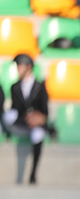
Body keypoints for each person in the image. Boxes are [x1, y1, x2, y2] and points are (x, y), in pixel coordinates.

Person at [2, 54, 49, 185]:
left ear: (29, 67)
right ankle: (7, 133)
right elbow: (15, 109)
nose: (18, 69)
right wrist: (26, 117)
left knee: (37, 135)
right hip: (22, 122)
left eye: (21, 66)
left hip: (36, 124)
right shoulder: (15, 87)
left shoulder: (40, 87)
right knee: (8, 116)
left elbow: (45, 110)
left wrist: (39, 117)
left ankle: (33, 174)